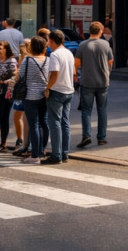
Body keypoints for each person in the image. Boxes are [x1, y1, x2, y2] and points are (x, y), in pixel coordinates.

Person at [74, 21, 113, 148]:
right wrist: (107, 72)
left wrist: (80, 71)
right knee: (102, 110)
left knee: (86, 110)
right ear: (100, 32)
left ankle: (87, 135)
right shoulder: (106, 44)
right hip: (103, 81)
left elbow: (77, 63)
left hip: (87, 81)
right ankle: (101, 137)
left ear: (89, 31)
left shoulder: (83, 45)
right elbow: (110, 61)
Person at [43, 29, 76, 164]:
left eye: (49, 40)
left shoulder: (55, 55)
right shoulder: (68, 52)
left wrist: (47, 88)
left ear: (52, 40)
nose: (48, 43)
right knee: (65, 122)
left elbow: (54, 73)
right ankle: (65, 153)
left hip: (57, 90)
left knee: (54, 122)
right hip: (68, 89)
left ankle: (56, 154)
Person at [17, 36, 50, 164]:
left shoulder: (27, 60)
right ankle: (42, 150)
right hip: (44, 95)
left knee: (34, 124)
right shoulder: (49, 60)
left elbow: (21, 76)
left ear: (31, 47)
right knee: (44, 123)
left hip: (29, 95)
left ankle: (35, 155)